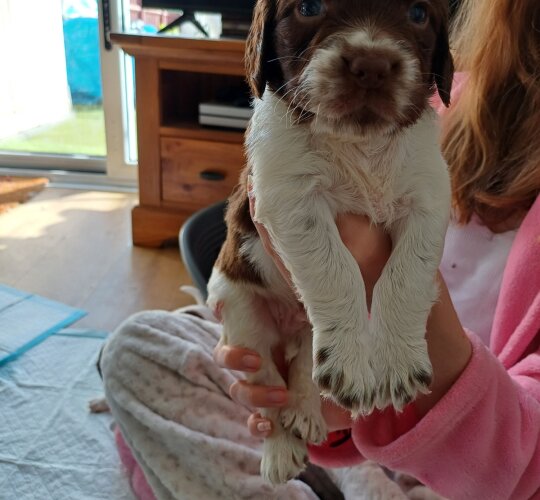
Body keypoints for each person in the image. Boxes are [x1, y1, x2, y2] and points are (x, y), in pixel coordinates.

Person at [99, 0, 540, 498]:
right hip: (348, 414)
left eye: (415, 14)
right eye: (310, 7)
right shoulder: (441, 98)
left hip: (473, 465)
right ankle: (345, 479)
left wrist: (375, 303)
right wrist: (334, 417)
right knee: (139, 346)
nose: (371, 58)